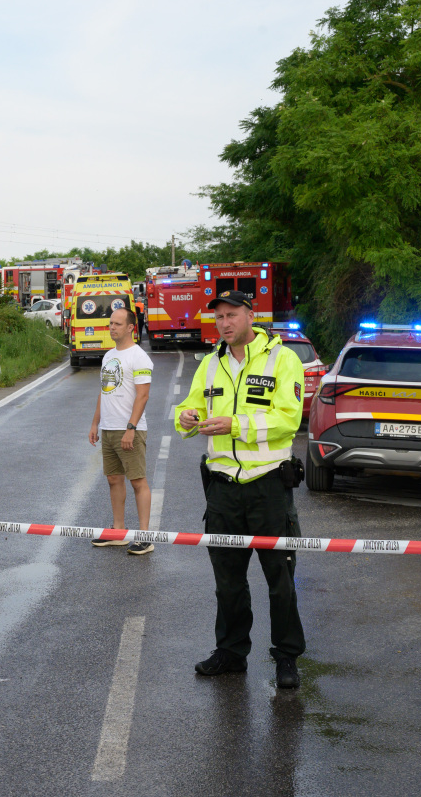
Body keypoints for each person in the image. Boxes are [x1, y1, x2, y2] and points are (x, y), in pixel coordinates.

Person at [174, 290, 306, 689]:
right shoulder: (210, 364)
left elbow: (288, 419)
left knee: (279, 578)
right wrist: (187, 417)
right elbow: (187, 412)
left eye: (232, 315)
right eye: (219, 318)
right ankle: (231, 652)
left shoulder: (283, 359)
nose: (224, 323)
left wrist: (235, 425)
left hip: (267, 485)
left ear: (251, 316)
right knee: (228, 579)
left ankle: (286, 657)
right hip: (222, 488)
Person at [87, 307, 155, 555]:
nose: (112, 327)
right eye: (110, 323)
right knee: (113, 479)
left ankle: (145, 536)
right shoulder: (108, 356)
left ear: (130, 327)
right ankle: (118, 532)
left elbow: (143, 395)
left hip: (130, 430)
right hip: (108, 428)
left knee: (138, 481)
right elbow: (103, 392)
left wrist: (131, 428)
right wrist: (96, 424)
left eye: (117, 323)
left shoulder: (139, 357)